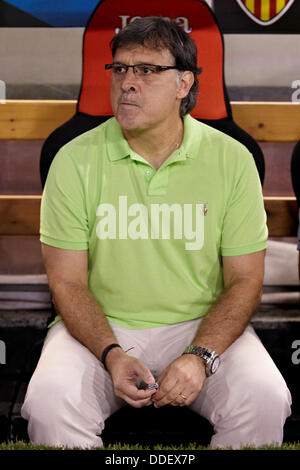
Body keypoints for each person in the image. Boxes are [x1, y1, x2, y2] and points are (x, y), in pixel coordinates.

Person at [21, 16, 291, 449]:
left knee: (264, 397)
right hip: (101, 331)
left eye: (146, 70)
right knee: (51, 401)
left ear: (184, 84)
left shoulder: (232, 159)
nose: (128, 82)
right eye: (120, 69)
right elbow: (66, 282)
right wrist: (111, 354)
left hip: (201, 326)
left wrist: (200, 357)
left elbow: (245, 281)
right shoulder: (73, 160)